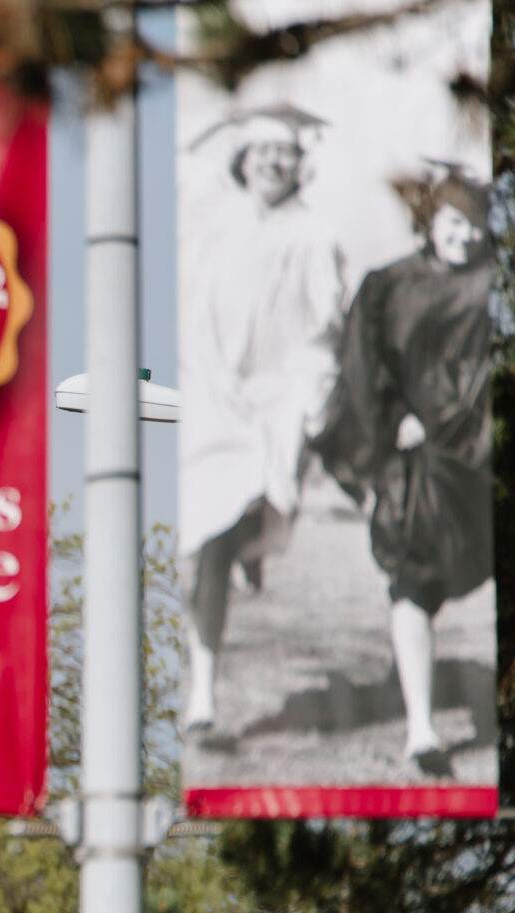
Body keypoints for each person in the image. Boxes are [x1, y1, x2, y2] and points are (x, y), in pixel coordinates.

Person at [311, 171, 494, 775]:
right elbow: (365, 369)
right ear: (431, 224)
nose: (464, 238)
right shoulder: (390, 287)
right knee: (414, 580)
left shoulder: (494, 285)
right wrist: (395, 420)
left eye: (474, 226)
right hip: (418, 457)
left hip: (482, 457)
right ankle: (422, 730)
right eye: (453, 224)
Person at [178, 105, 348, 733]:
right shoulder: (214, 223)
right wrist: (228, 115)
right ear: (243, 161)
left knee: (260, 517)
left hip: (276, 400)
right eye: (261, 152)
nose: (273, 163)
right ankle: (204, 689)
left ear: (301, 164)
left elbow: (326, 329)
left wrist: (307, 404)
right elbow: (180, 166)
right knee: (207, 544)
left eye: (285, 153)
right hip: (211, 396)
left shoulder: (314, 235)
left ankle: (255, 539)